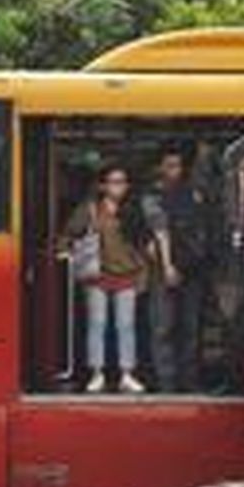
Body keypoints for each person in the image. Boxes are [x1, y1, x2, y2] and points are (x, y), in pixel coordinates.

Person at [61, 162, 151, 394]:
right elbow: (69, 233)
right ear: (102, 185)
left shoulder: (133, 209)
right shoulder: (90, 209)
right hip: (97, 275)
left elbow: (143, 244)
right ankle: (97, 373)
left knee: (126, 326)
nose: (119, 187)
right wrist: (64, 251)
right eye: (114, 182)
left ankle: (126, 374)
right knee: (97, 325)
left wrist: (144, 272)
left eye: (123, 182)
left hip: (127, 274)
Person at [143, 146, 211, 393]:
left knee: (182, 327)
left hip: (186, 267)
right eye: (170, 165)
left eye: (178, 165)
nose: (175, 171)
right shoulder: (155, 196)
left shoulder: (191, 194)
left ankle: (182, 382)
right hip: (170, 268)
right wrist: (169, 265)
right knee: (167, 326)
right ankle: (169, 382)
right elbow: (160, 230)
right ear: (160, 167)